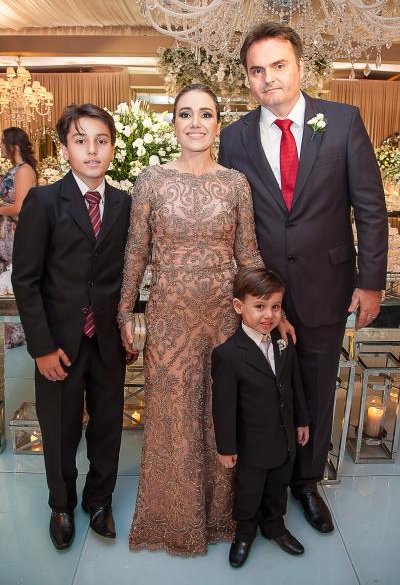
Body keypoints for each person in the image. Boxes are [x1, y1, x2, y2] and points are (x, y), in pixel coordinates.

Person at [219, 22, 388, 533]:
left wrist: (370, 281)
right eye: (257, 70)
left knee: (315, 387)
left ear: (299, 67)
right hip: (260, 293)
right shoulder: (234, 137)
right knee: (262, 389)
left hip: (326, 285)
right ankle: (265, 482)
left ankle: (307, 483)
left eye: (278, 65)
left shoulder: (342, 121)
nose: (268, 77)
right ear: (247, 79)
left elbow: (370, 207)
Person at [118, 83, 294, 556]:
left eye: (205, 114)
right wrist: (124, 313)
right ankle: (173, 519)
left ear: (218, 124)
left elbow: (248, 254)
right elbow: (135, 253)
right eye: (185, 114)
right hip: (169, 319)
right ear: (173, 123)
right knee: (173, 415)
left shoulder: (235, 183)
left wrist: (271, 311)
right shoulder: (151, 181)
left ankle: (224, 516)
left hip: (223, 317)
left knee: (223, 413)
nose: (195, 123)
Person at [12, 104, 131, 550]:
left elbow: (126, 273)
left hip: (106, 341)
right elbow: (26, 280)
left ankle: (99, 500)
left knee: (108, 426)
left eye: (101, 141)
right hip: (58, 342)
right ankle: (60, 504)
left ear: (113, 148)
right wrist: (41, 346)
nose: (92, 150)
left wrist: (128, 327)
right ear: (65, 149)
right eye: (81, 141)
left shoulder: (123, 204)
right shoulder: (44, 201)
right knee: (61, 428)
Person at [212, 266, 309, 568]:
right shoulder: (228, 354)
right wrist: (226, 447)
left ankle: (275, 527)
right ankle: (244, 534)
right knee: (249, 492)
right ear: (238, 307)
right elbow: (223, 406)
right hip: (251, 445)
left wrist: (301, 421)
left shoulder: (283, 342)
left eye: (276, 307)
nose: (269, 315)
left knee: (278, 487)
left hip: (284, 438)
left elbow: (294, 385)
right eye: (260, 306)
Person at [0, 127, 37, 272]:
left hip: (16, 230)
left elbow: (20, 207)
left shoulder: (24, 170)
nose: (1, 146)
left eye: (3, 142)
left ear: (15, 147)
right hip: (7, 227)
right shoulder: (15, 169)